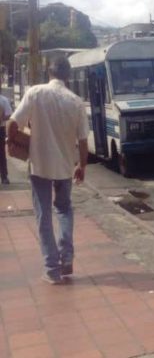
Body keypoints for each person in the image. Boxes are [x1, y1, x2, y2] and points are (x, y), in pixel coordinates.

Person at [7, 57, 89, 285]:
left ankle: (52, 270)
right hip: (65, 167)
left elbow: (13, 124)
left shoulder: (35, 93)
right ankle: (67, 257)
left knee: (43, 215)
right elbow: (83, 141)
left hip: (39, 165)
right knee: (63, 209)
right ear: (68, 76)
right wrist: (82, 166)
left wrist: (10, 140)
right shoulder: (76, 101)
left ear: (48, 73)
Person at [0, 74, 12, 185]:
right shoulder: (3, 100)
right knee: (2, 154)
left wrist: (3, 117)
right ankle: (4, 177)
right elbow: (9, 115)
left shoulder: (4, 100)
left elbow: (8, 115)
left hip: (1, 129)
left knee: (2, 153)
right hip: (1, 128)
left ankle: (4, 176)